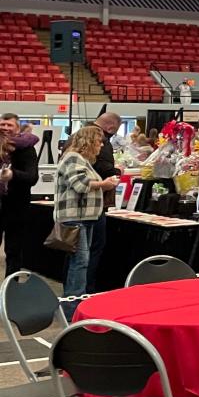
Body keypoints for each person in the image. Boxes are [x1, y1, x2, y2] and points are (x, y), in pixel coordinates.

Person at [55, 125, 118, 315]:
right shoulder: (73, 157)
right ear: (90, 142)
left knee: (82, 260)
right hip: (76, 218)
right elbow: (80, 185)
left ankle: (74, 303)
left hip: (85, 217)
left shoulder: (82, 159)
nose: (101, 146)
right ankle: (72, 308)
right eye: (99, 142)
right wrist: (105, 184)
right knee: (80, 262)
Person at [0, 113, 39, 272]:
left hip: (16, 207)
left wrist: (13, 175)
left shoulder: (26, 149)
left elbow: (32, 177)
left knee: (14, 250)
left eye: (10, 125)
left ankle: (11, 289)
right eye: (3, 124)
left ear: (17, 128)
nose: (5, 128)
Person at [87, 112, 121, 292]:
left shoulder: (80, 136)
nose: (102, 144)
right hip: (92, 206)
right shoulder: (99, 139)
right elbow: (104, 171)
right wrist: (115, 173)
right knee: (92, 249)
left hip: (84, 207)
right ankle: (86, 291)